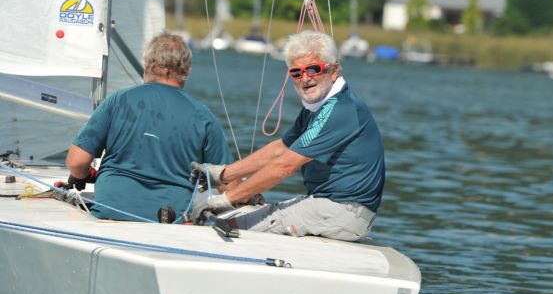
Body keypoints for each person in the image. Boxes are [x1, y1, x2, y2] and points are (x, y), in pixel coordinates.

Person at [191, 30, 385, 241]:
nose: (305, 78)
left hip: (343, 212)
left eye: (313, 69)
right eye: (296, 73)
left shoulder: (340, 110)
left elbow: (285, 166)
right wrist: (222, 174)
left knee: (236, 227)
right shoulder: (318, 107)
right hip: (329, 207)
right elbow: (280, 149)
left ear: (334, 70)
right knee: (245, 216)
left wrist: (226, 200)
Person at [66, 32, 233, 221]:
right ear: (187, 70)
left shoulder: (118, 101)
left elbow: (77, 162)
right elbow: (229, 183)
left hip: (109, 212)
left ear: (146, 65)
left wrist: (83, 175)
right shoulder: (204, 117)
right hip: (167, 221)